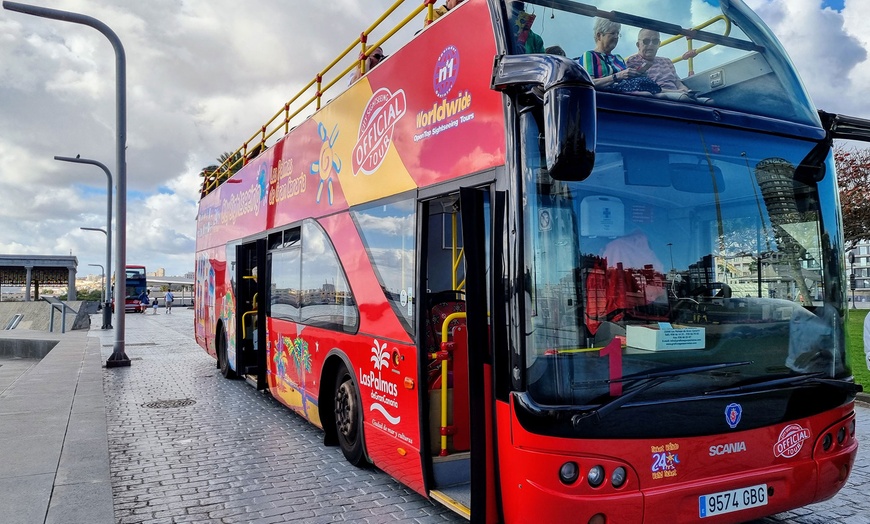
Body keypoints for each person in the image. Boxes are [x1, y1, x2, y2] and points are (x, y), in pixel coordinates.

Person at [625, 28, 711, 103]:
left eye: (655, 41)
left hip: (678, 94)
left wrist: (685, 90)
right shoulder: (633, 61)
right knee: (684, 99)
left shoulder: (666, 61)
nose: (650, 44)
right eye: (646, 41)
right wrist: (678, 92)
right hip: (658, 94)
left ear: (659, 44)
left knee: (710, 102)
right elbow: (644, 87)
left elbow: (677, 81)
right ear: (638, 45)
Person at [579, 18, 660, 94]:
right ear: (599, 35)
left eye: (618, 33)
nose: (616, 37)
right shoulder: (589, 55)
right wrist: (617, 76)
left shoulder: (618, 58)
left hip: (626, 94)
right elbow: (588, 83)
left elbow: (627, 79)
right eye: (613, 33)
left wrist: (638, 73)